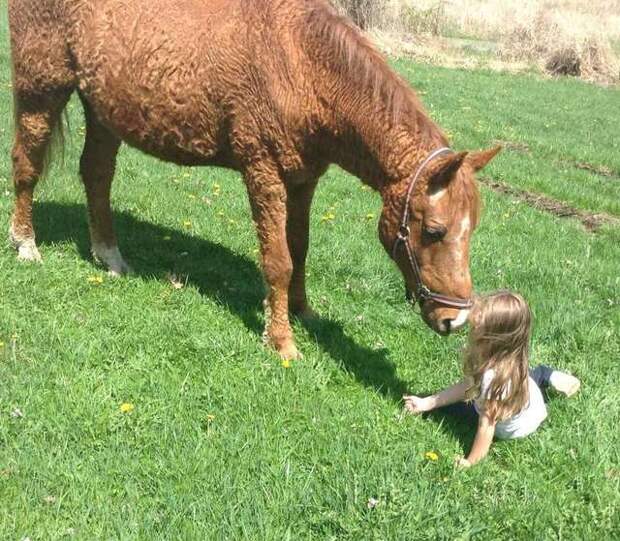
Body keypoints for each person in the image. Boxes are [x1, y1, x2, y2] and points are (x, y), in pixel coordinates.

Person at [404, 291, 580, 468]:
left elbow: (487, 426)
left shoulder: (494, 379)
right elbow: (468, 385)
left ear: (494, 338)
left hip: (519, 426)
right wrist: (428, 402)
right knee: (535, 375)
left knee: (455, 409)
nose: (471, 330)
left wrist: (470, 462)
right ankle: (547, 374)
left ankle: (546, 375)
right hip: (529, 395)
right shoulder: (506, 356)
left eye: (476, 329)